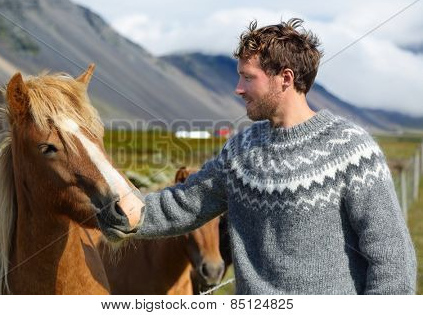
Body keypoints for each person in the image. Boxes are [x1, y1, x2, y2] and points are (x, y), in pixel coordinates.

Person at [134, 18, 417, 294]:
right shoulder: (239, 151)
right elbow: (183, 204)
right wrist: (114, 208)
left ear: (285, 78)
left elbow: (392, 258)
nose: (238, 88)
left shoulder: (353, 150)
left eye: (248, 78)